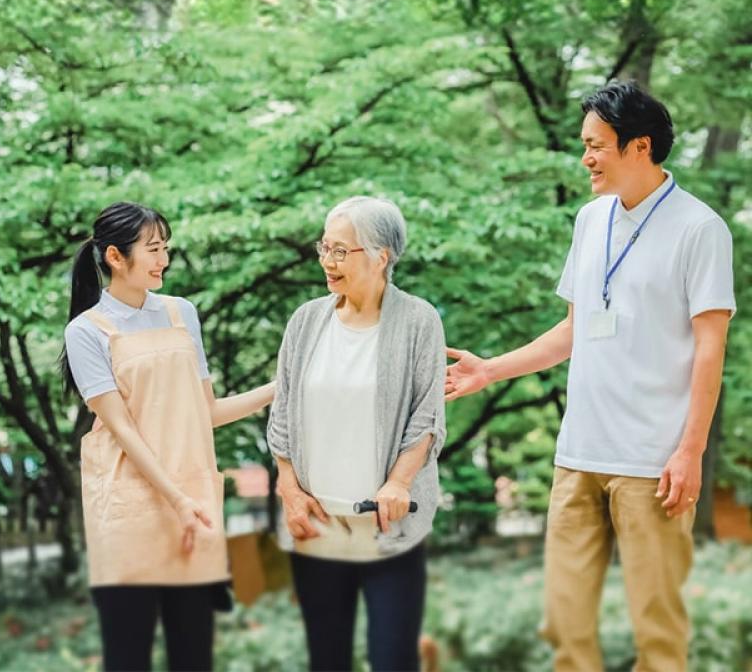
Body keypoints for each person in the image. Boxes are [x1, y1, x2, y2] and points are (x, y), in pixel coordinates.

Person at [445, 81, 736, 671]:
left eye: (597, 145)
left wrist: (690, 451)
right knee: (567, 627)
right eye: (585, 145)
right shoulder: (590, 219)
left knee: (658, 632)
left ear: (640, 147)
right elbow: (573, 329)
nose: (586, 159)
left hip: (652, 464)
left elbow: (711, 349)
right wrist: (489, 370)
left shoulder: (700, 229)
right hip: (577, 456)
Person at [62, 201, 275, 672]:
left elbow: (207, 413)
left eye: (166, 248)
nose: (164, 260)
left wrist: (280, 387)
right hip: (129, 505)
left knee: (194, 651)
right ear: (116, 257)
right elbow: (123, 430)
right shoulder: (86, 332)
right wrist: (175, 498)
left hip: (193, 502)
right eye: (153, 249)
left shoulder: (182, 315)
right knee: (128, 653)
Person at [266, 195, 446, 672]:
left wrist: (399, 482)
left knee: (392, 660)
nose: (328, 260)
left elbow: (426, 415)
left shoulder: (418, 320)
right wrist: (288, 488)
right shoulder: (306, 321)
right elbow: (282, 412)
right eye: (324, 247)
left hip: (388, 529)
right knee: (326, 660)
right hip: (318, 528)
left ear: (381, 256)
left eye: (341, 250)